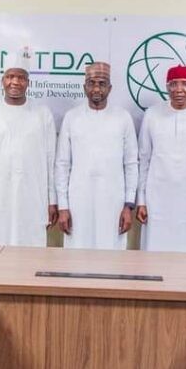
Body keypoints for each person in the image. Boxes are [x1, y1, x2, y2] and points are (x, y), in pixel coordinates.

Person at [0, 53, 57, 246]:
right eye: (10, 76)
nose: (15, 82)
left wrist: (52, 201)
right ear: (2, 81)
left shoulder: (42, 115)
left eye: (21, 77)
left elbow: (52, 162)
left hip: (33, 200)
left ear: (28, 83)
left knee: (32, 256)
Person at [55, 62, 139, 250]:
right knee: (77, 256)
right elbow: (62, 164)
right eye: (91, 83)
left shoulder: (123, 117)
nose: (96, 88)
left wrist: (128, 206)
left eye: (102, 83)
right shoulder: (72, 117)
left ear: (110, 88)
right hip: (77, 201)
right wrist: (63, 206)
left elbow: (131, 164)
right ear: (84, 87)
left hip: (113, 201)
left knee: (111, 257)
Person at [136, 64, 186, 252]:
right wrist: (141, 200)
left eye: (185, 84)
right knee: (153, 252)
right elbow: (144, 159)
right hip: (156, 200)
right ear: (166, 87)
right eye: (173, 84)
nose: (179, 89)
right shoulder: (152, 115)